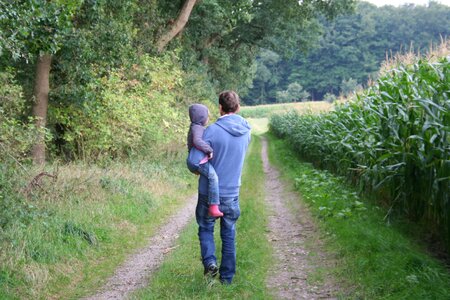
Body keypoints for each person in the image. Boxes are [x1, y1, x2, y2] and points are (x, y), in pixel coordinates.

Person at [195, 90, 251, 284]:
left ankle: (210, 263)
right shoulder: (247, 130)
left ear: (220, 107)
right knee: (229, 234)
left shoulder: (210, 131)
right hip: (233, 192)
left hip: (209, 194)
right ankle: (226, 279)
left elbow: (196, 161)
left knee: (205, 228)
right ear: (238, 107)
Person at [187, 104, 223, 217]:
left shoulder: (194, 127)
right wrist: (209, 150)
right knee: (213, 177)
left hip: (194, 161)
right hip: (196, 161)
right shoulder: (197, 128)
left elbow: (190, 145)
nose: (208, 118)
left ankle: (213, 205)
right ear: (201, 117)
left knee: (210, 177)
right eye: (207, 116)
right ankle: (213, 206)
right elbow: (197, 141)